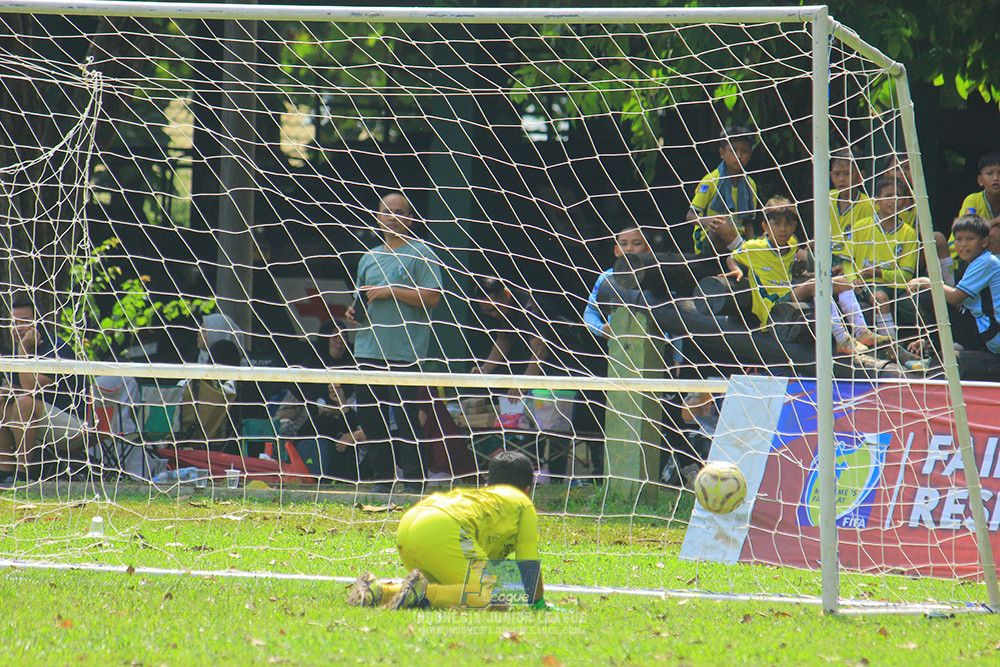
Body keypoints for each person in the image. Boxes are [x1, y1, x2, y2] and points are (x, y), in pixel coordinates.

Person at [346, 451, 544, 610]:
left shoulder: (484, 500)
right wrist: (538, 604)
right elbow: (529, 569)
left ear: (486, 483)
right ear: (527, 490)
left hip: (410, 525)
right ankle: (425, 595)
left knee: (447, 588)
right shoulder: (523, 504)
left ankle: (379, 591)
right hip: (446, 528)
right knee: (498, 600)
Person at [346, 191, 444, 494]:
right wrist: (353, 312)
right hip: (367, 348)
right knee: (371, 418)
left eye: (400, 211)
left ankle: (415, 481)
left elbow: (432, 297)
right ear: (377, 217)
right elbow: (361, 299)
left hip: (405, 352)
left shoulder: (423, 253)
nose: (393, 216)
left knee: (405, 418)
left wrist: (392, 290)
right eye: (387, 211)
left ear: (411, 218)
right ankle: (382, 480)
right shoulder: (368, 258)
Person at [720, 196, 892, 360]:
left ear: (795, 226)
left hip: (790, 295)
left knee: (843, 282)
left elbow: (797, 261)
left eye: (788, 224)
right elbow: (731, 257)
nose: (782, 229)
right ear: (765, 226)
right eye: (776, 224)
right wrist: (736, 270)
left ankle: (861, 333)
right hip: (773, 307)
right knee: (815, 285)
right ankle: (843, 341)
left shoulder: (793, 243)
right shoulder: (754, 247)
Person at [0, 296, 87, 487]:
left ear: (38, 323)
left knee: (24, 402)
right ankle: (5, 471)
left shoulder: (55, 348)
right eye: (14, 323)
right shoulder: (13, 353)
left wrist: (23, 349)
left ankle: (23, 475)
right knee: (2, 402)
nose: (18, 327)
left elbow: (31, 390)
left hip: (73, 427)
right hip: (38, 423)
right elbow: (15, 388)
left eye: (24, 322)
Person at [908, 215, 1000, 357]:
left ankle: (934, 352)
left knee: (928, 297)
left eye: (970, 239)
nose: (963, 244)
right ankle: (930, 344)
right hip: (983, 327)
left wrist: (927, 283)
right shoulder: (973, 262)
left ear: (984, 242)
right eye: (959, 239)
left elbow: (955, 298)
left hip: (992, 333)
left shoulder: (986, 262)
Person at [843, 176, 920, 340]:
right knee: (880, 297)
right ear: (876, 200)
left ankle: (927, 345)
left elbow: (906, 275)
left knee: (917, 307)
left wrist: (879, 273)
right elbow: (847, 261)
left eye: (898, 196)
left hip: (896, 287)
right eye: (887, 196)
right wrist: (852, 279)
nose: (893, 201)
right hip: (869, 285)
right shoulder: (861, 226)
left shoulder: (909, 233)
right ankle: (889, 343)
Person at [686, 125, 759, 259]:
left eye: (744, 151)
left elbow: (748, 222)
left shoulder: (750, 184)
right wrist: (708, 222)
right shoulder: (711, 180)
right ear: (722, 153)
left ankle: (746, 252)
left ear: (750, 154)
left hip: (737, 238)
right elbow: (690, 216)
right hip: (710, 241)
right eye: (733, 151)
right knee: (721, 224)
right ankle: (748, 257)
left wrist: (752, 243)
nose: (739, 156)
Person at [829, 147, 874, 264]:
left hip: (850, 259)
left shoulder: (867, 205)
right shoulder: (828, 198)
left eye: (847, 174)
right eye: (837, 174)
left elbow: (866, 243)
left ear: (860, 176)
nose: (841, 179)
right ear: (831, 176)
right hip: (826, 255)